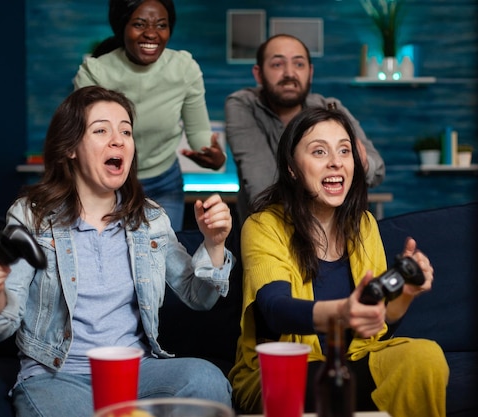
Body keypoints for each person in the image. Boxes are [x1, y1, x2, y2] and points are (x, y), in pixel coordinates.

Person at [0, 86, 234, 417]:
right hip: (57, 377)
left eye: (125, 131)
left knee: (206, 380)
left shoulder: (149, 218)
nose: (118, 140)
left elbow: (199, 295)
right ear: (71, 148)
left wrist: (214, 242)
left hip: (134, 373)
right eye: (101, 130)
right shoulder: (30, 215)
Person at [228, 107, 448, 417]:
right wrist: (342, 313)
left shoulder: (365, 225)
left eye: (344, 150)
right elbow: (276, 310)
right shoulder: (263, 225)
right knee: (323, 387)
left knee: (426, 356)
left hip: (355, 359)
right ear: (292, 168)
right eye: (319, 151)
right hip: (285, 368)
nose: (336, 161)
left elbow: (379, 326)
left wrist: (407, 292)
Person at [74, 0, 226, 231]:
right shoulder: (95, 72)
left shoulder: (184, 68)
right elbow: (83, 139)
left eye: (161, 25)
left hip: (164, 182)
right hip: (108, 182)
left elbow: (198, 132)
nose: (151, 34)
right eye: (139, 24)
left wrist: (213, 155)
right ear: (122, 26)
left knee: (164, 258)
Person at [224, 34, 386, 225]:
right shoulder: (243, 105)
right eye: (277, 64)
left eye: (299, 64)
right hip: (273, 232)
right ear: (258, 73)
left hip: (340, 234)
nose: (289, 74)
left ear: (310, 72)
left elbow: (377, 169)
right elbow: (262, 186)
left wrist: (362, 164)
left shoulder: (330, 107)